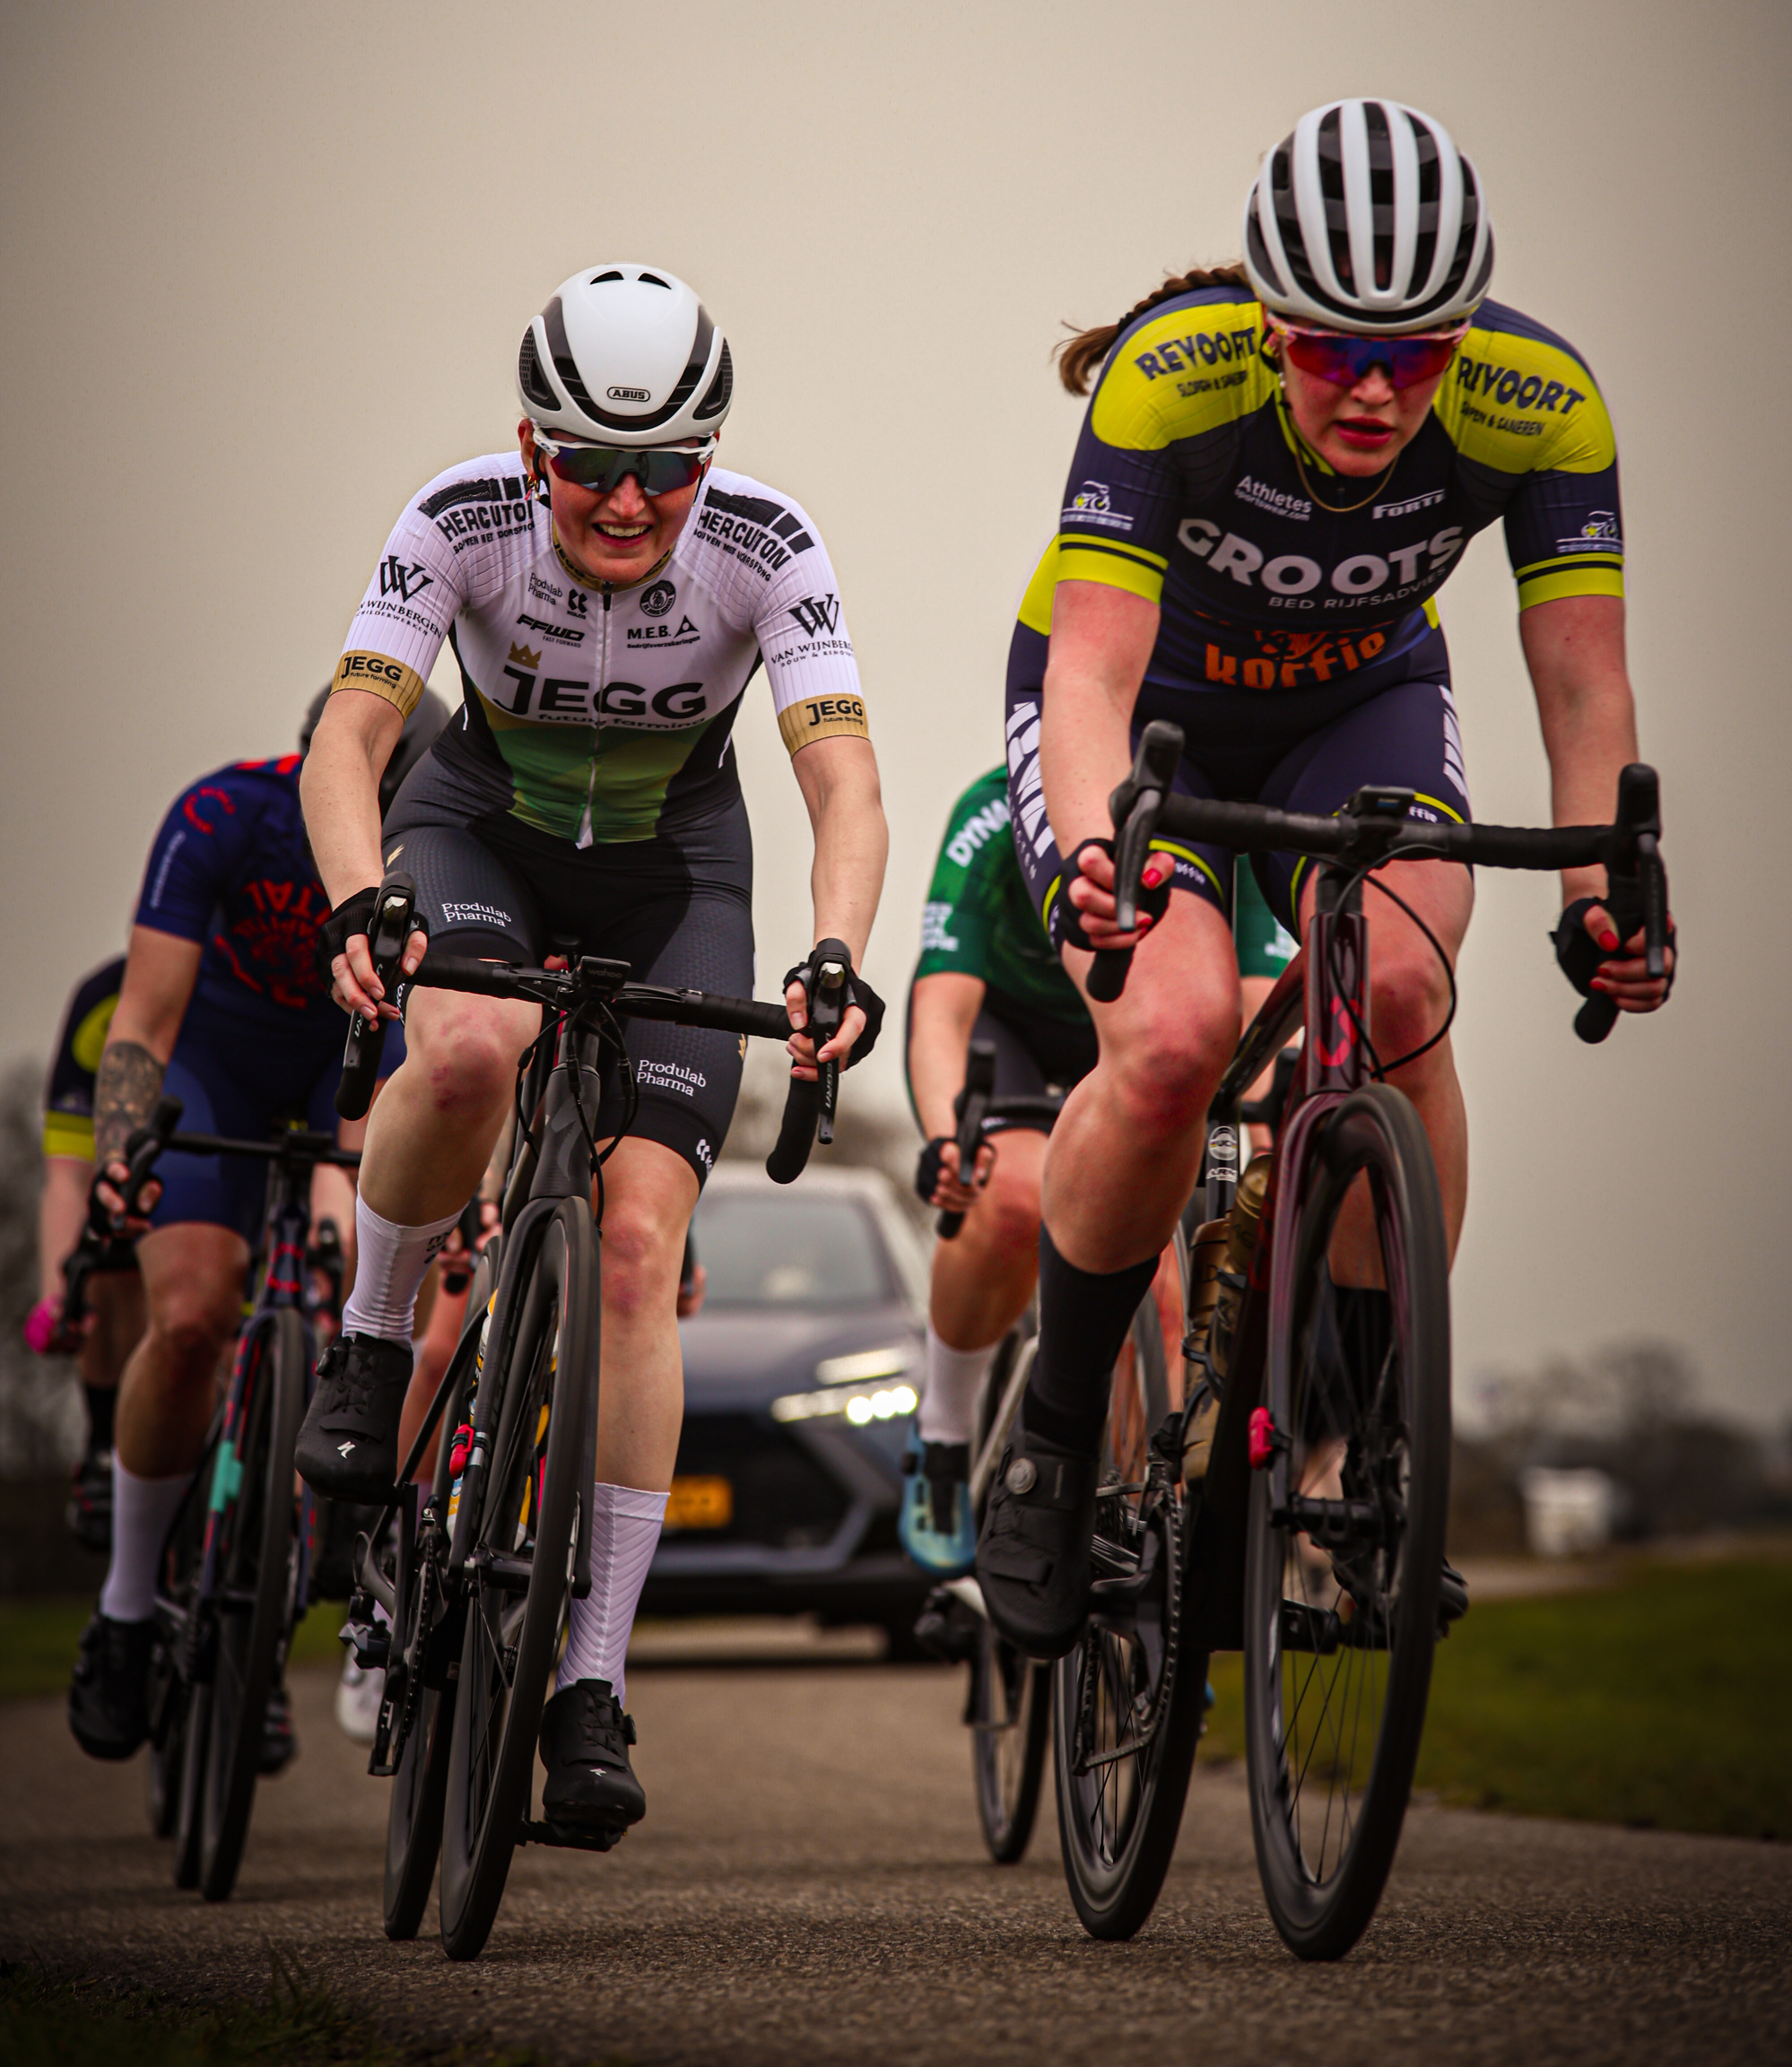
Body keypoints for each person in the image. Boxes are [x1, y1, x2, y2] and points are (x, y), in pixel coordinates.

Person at [978, 97, 1675, 1659]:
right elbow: (1088, 673)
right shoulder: (1173, 380)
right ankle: (1051, 1435)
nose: (1373, 390)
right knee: (1161, 1044)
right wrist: (1102, 847)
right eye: (1332, 352)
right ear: (1270, 322)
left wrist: (1602, 898)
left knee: (1410, 984)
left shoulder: (1541, 403)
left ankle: (1359, 1452)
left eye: (1415, 353)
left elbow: (1581, 690)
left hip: (1357, 708)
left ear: (1465, 332)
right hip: (1147, 709)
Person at [294, 262, 888, 1837]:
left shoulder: (769, 543)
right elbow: (352, 737)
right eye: (592, 467)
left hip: (675, 869)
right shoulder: (456, 515)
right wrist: (362, 902)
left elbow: (842, 784)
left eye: (668, 470)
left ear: (711, 456)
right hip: (480, 833)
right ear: (529, 444)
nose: (630, 505)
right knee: (476, 1044)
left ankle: (592, 1680)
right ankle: (373, 1331)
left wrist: (837, 948)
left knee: (636, 1258)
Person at [65, 690, 448, 1764]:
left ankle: (267, 1617)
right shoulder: (224, 817)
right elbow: (143, 1016)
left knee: (337, 1292)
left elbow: (390, 1093)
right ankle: (128, 1608)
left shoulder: (441, 851)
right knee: (190, 1318)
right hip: (216, 1067)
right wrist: (119, 1157)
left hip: (346, 1071)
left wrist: (354, 1224)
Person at [899, 766, 1295, 1577]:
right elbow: (942, 1007)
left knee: (1162, 1286)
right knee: (1007, 1201)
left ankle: (1163, 1557)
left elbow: (1259, 1026)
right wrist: (949, 1137)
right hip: (1014, 1032)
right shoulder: (991, 810)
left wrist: (1260, 1137)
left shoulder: (1223, 814)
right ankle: (943, 1433)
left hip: (1138, 1032)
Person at [29, 959, 144, 1549]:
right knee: (106, 1233)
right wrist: (59, 1295)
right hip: (140, 1195)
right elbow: (69, 1177)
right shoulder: (102, 1000)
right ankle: (104, 1443)